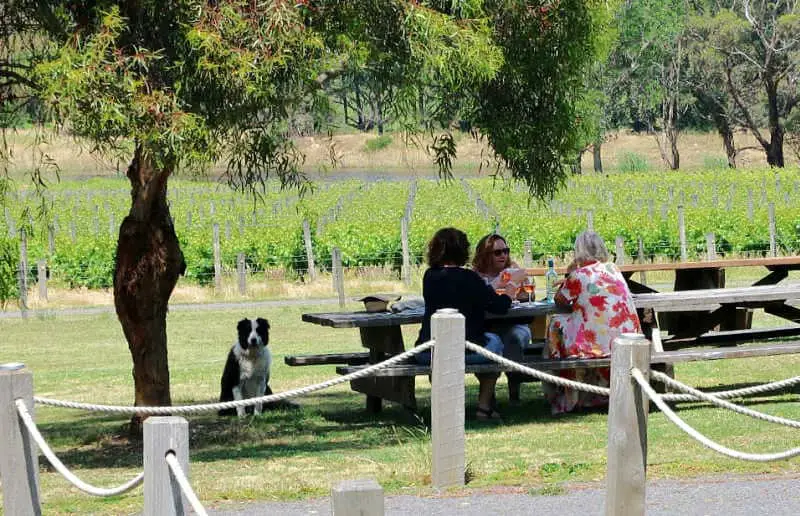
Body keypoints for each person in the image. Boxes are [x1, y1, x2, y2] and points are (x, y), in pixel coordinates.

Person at [415, 227, 517, 420]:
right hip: (466, 350)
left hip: (430, 351)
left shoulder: (429, 276)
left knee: (446, 360)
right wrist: (510, 292)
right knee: (496, 344)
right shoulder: (470, 278)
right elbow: (499, 306)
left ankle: (446, 406)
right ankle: (484, 406)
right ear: (463, 250)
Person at [544, 231, 641, 415]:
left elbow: (559, 300)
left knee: (556, 325)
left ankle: (563, 390)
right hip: (627, 338)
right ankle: (595, 393)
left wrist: (569, 273)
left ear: (578, 252)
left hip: (597, 345)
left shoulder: (578, 275)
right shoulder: (614, 269)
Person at [472, 233, 533, 403]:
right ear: (485, 255)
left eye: (505, 251)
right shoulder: (476, 276)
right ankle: (488, 397)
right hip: (487, 326)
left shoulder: (513, 269)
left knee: (515, 338)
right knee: (487, 342)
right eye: (497, 252)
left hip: (515, 323)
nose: (503, 255)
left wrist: (520, 286)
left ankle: (514, 393)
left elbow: (529, 296)